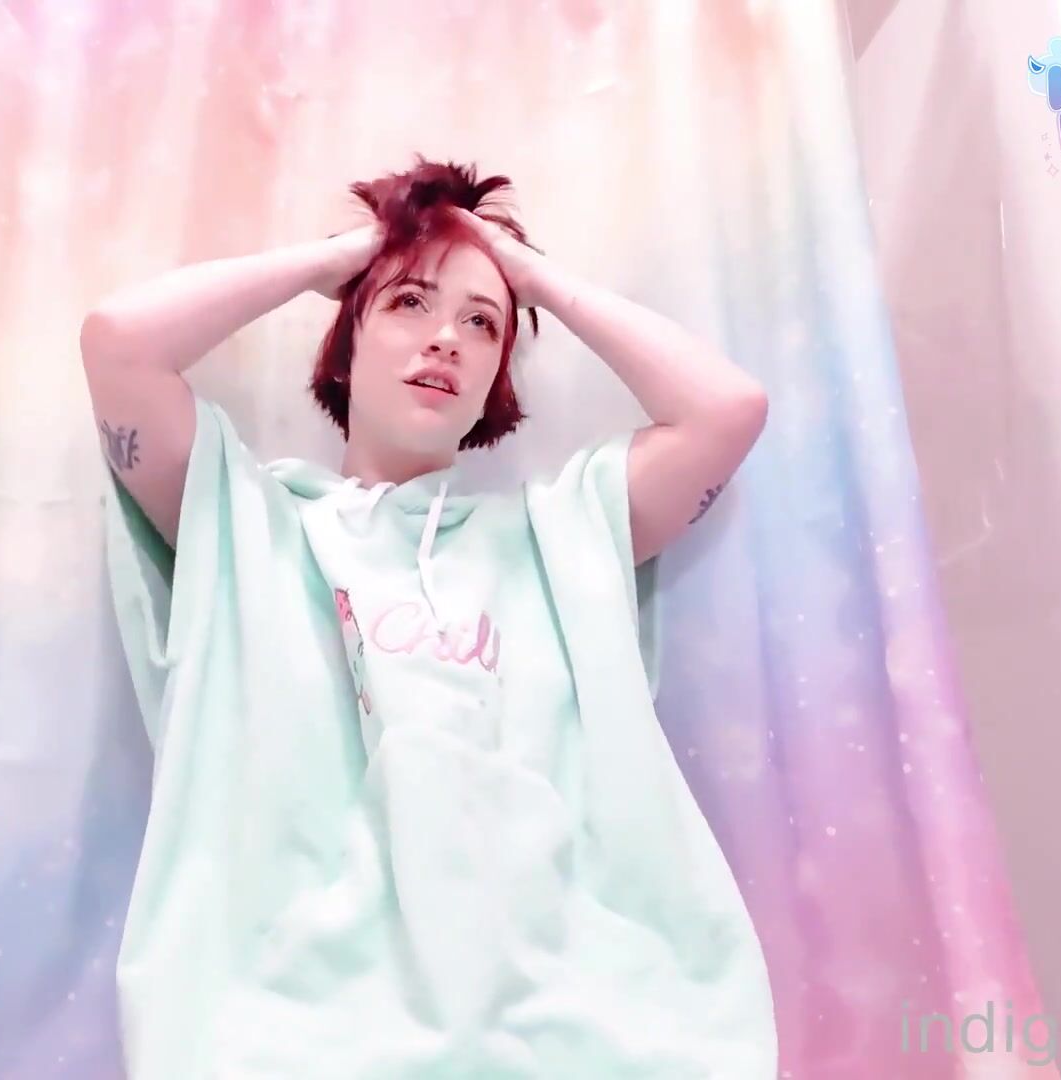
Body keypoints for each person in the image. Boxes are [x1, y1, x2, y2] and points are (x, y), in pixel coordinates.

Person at [83, 157, 777, 1078]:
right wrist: (340, 258)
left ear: (496, 379)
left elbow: (727, 409)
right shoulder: (247, 523)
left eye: (481, 323)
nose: (447, 338)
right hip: (291, 1036)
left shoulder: (560, 533)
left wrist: (530, 279)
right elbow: (118, 343)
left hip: (584, 1034)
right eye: (409, 304)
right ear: (345, 345)